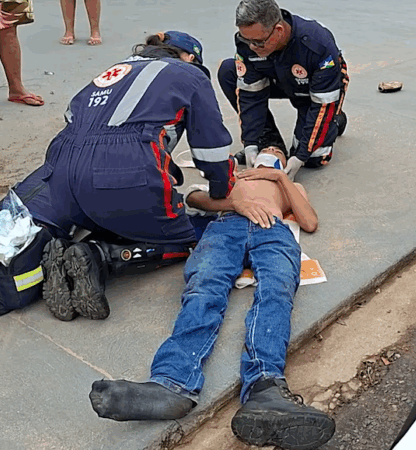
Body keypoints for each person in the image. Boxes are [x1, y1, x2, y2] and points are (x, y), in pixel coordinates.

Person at [89, 145, 335, 450]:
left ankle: (266, 387)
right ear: (252, 156)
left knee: (277, 290)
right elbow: (192, 197)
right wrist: (235, 202)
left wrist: (280, 178)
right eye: (267, 148)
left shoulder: (289, 184)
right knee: (203, 288)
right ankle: (172, 383)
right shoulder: (235, 176)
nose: (271, 151)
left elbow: (308, 222)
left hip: (273, 228)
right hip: (226, 226)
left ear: (284, 162)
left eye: (277, 151)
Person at [37, 31, 236, 322]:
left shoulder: (115, 71)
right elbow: (212, 150)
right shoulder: (190, 75)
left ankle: (68, 252)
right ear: (190, 57)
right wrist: (222, 190)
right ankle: (100, 257)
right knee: (197, 232)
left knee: (117, 209)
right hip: (121, 169)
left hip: (61, 177)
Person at [218, 0, 349, 180]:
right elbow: (250, 94)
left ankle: (335, 120)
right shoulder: (248, 41)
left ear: (278, 30)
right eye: (246, 40)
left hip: (313, 89)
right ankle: (269, 140)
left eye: (258, 42)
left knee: (313, 158)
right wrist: (251, 143)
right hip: (275, 78)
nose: (251, 47)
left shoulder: (317, 45)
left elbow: (321, 104)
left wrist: (300, 156)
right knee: (229, 71)